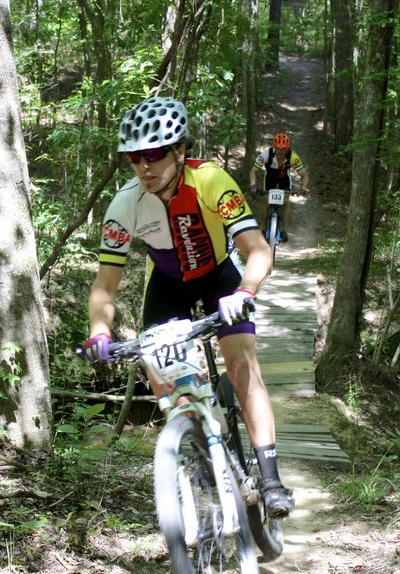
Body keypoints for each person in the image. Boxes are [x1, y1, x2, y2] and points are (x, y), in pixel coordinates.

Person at [82, 96, 294, 517]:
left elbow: (258, 251)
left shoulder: (211, 180)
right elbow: (105, 286)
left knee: (241, 365)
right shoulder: (124, 206)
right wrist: (99, 332)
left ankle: (270, 479)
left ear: (180, 151)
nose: (144, 166)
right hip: (167, 286)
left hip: (221, 278)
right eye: (134, 158)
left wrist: (246, 293)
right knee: (164, 381)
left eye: (154, 154)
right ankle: (196, 456)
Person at [249, 132, 310, 243]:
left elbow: (304, 175)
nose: (280, 152)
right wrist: (253, 184)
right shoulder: (266, 154)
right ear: (274, 147)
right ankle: (263, 228)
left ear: (287, 148)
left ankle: (284, 231)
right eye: (278, 149)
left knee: (286, 201)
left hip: (284, 178)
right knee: (266, 200)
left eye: (283, 149)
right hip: (270, 178)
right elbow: (254, 170)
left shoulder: (292, 157)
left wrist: (303, 188)